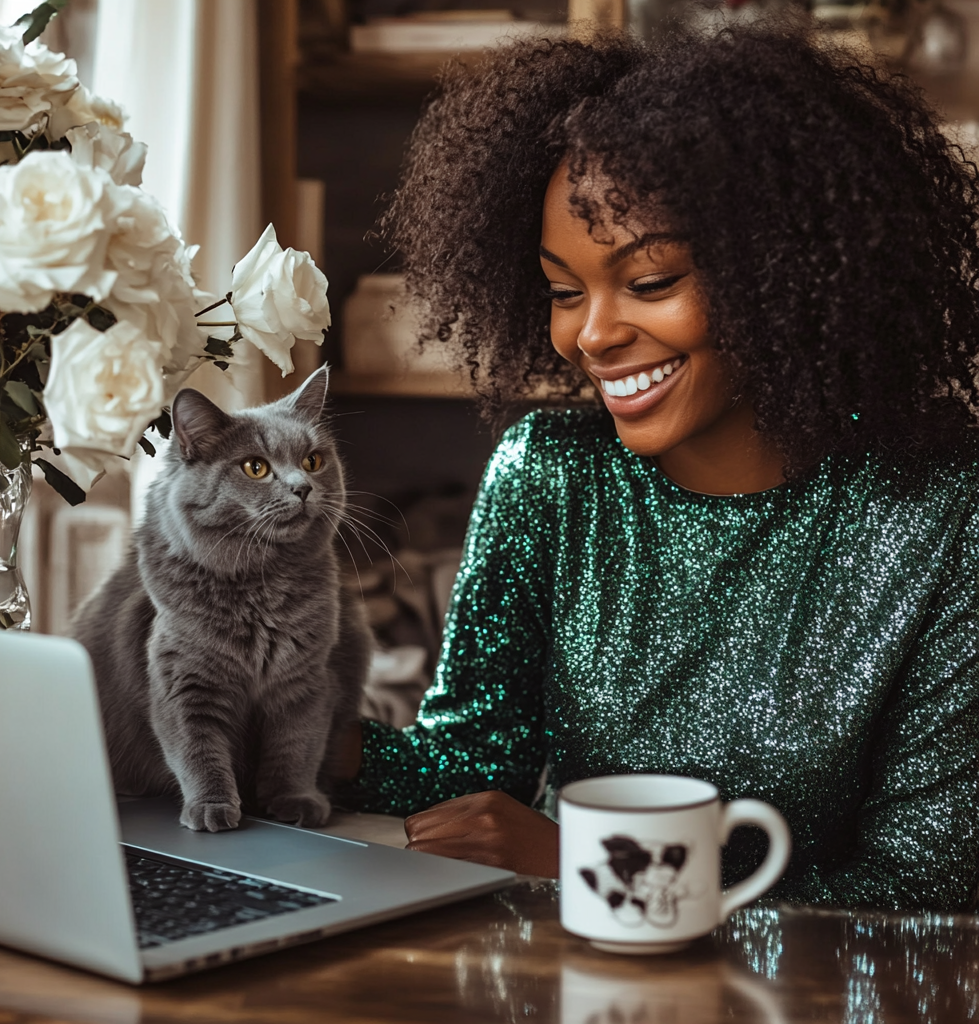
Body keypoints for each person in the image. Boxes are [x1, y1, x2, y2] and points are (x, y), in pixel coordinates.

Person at [335, 24, 979, 910]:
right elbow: (474, 763)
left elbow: (922, 895)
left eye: (648, 282)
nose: (593, 335)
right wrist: (294, 734)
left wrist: (585, 866)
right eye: (565, 291)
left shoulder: (941, 510)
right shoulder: (550, 476)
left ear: (782, 271)